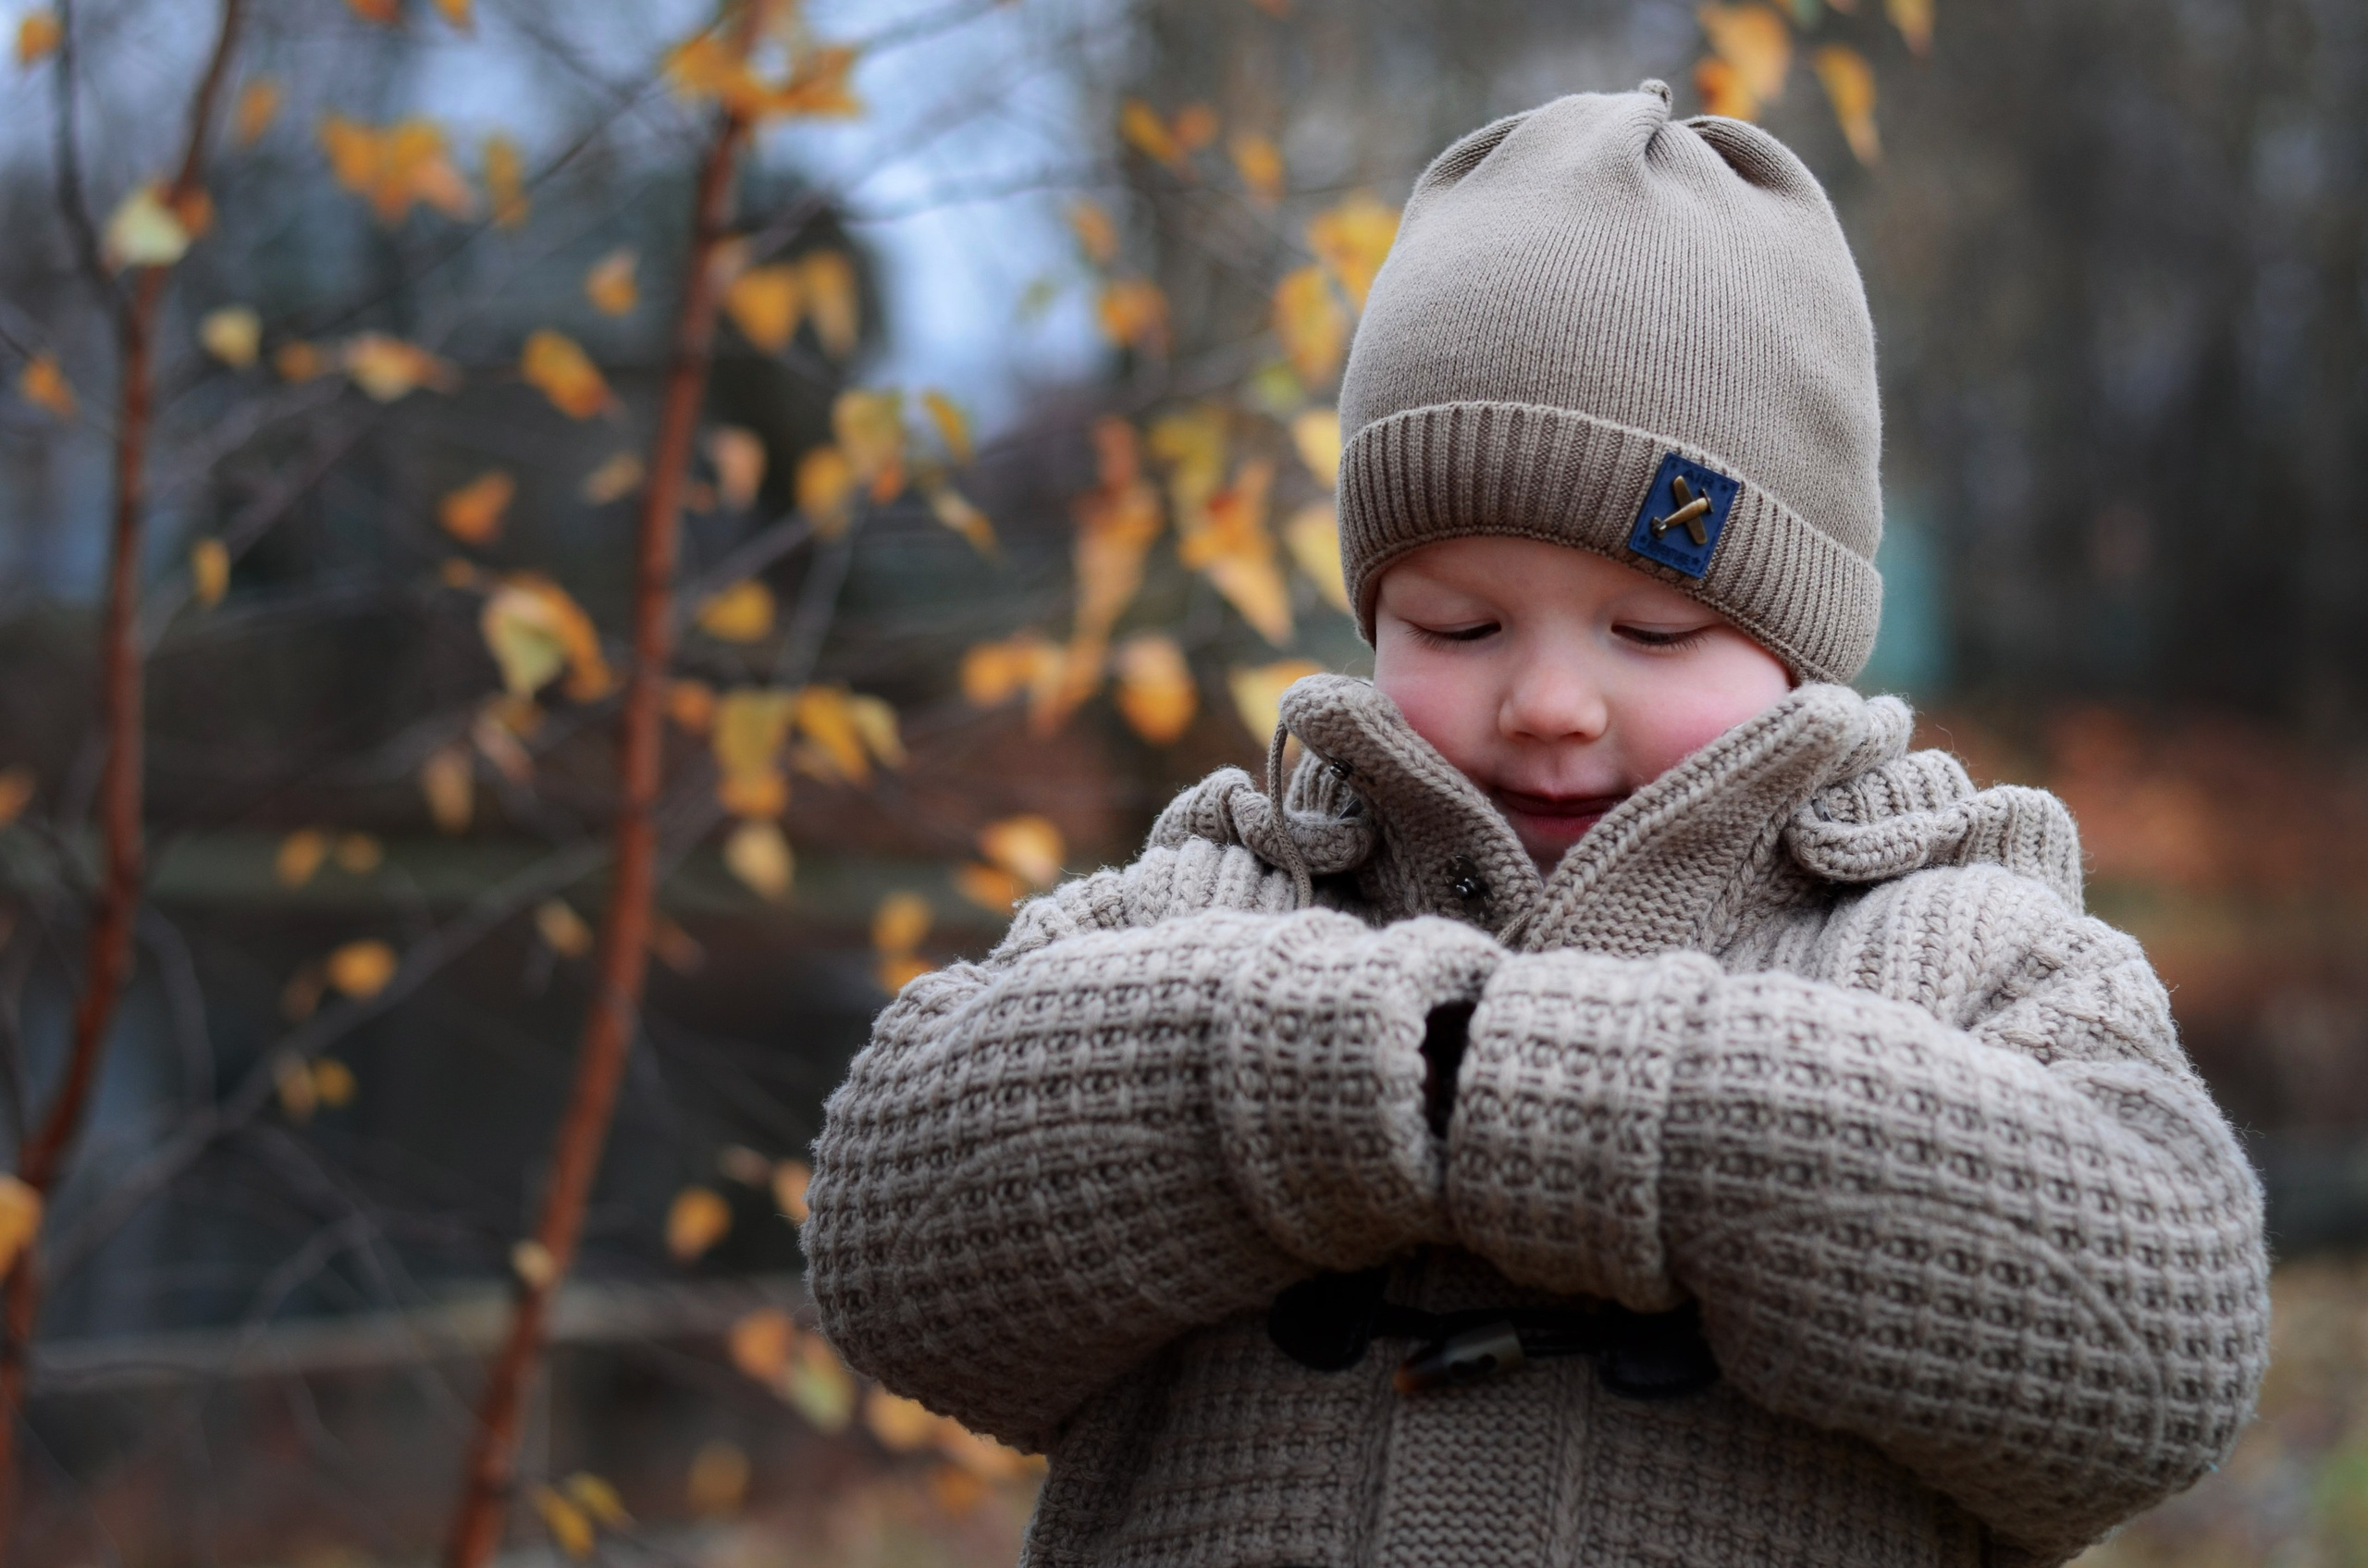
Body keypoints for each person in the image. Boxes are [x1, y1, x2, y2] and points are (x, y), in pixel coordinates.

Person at [802, 82, 2270, 1567]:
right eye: (1461, 621)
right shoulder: (1220, 898)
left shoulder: (1966, 940)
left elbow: (2163, 1347)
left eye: (1648, 628)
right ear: (1373, 614)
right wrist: (1356, 1079)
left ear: (1800, 643)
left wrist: (1581, 1099)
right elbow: (890, 1245)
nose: (1550, 700)